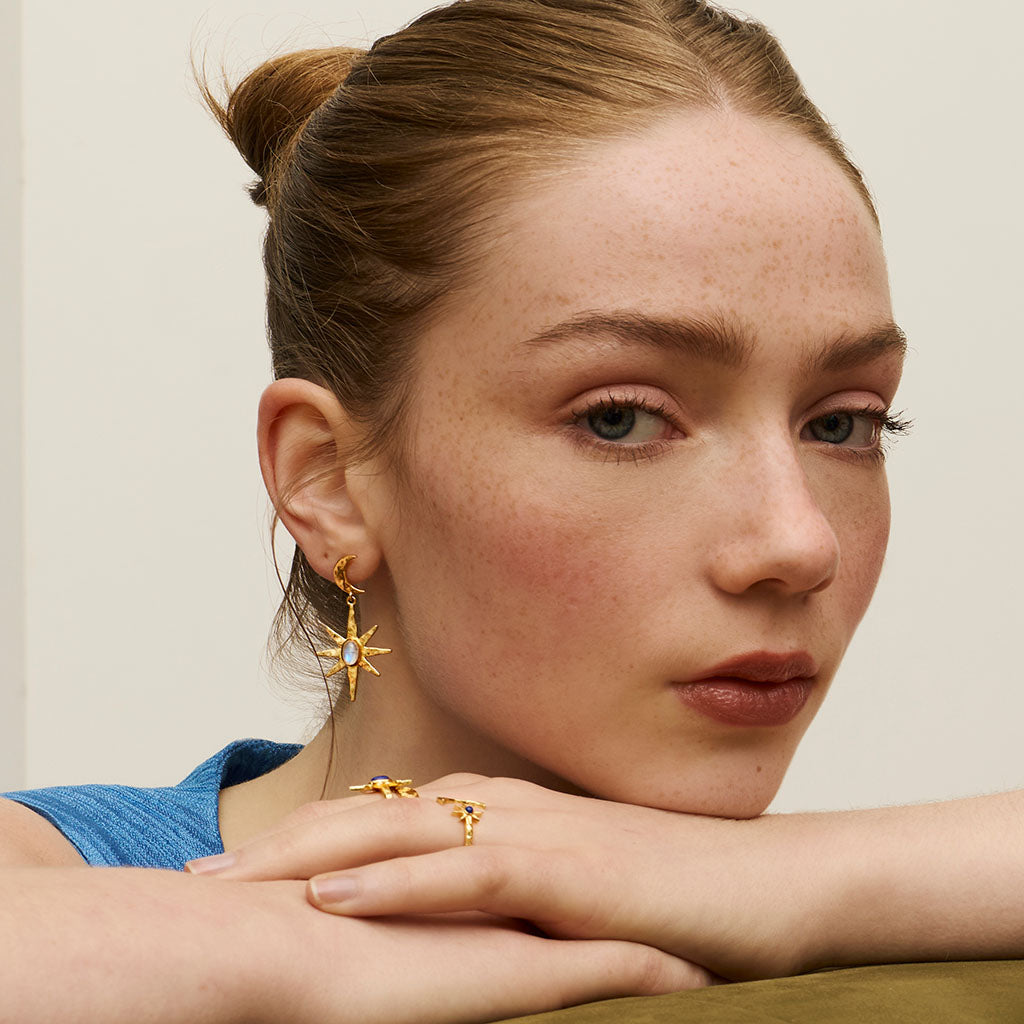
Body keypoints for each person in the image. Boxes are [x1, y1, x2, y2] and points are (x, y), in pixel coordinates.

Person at [1, 0, 1022, 1021]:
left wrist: (788, 880)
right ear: (330, 479)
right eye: (621, 417)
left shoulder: (860, 919)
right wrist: (284, 947)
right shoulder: (70, 870)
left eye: (843, 424)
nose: (798, 544)